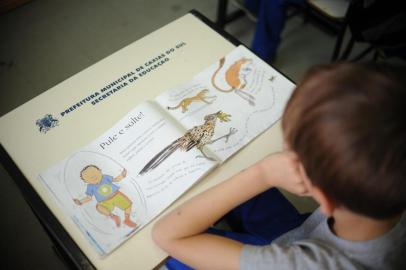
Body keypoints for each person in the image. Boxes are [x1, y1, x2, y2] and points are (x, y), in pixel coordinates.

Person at [152, 63, 406, 269]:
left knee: (169, 257)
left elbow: (168, 236)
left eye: (293, 155)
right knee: (231, 176)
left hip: (292, 254)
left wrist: (263, 173)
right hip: (303, 234)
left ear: (325, 200)